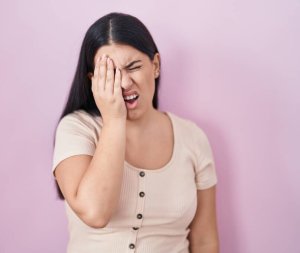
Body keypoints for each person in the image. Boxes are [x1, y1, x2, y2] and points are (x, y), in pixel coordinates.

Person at [52, 12, 219, 253]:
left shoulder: (193, 138)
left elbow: (205, 241)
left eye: (133, 67)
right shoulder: (76, 129)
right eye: (110, 74)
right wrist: (114, 120)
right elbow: (95, 213)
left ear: (156, 65)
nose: (125, 83)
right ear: (93, 81)